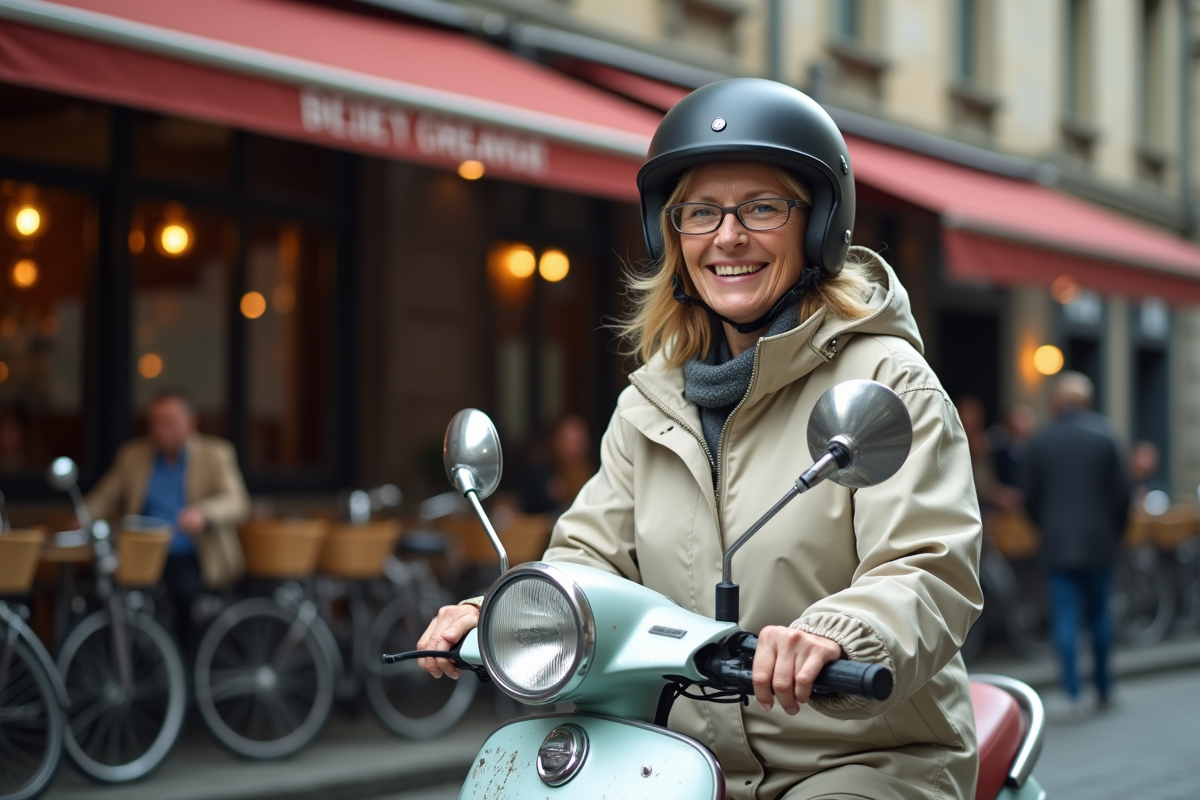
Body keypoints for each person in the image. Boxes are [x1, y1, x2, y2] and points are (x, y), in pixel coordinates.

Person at [419, 79, 982, 800]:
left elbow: (927, 565)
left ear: (817, 226)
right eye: (700, 212)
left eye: (763, 207)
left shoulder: (885, 381)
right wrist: (501, 613)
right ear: (672, 235)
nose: (728, 236)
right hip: (674, 760)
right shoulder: (651, 400)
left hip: (863, 758)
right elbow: (590, 558)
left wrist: (839, 635)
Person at [85, 389, 249, 651]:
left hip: (190, 553)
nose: (160, 431)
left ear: (190, 422)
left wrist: (204, 512)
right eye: (154, 423)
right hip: (140, 553)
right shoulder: (134, 455)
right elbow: (105, 497)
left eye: (169, 423)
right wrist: (83, 516)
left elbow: (237, 501)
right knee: (101, 593)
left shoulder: (215, 453)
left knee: (185, 596)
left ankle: (185, 663)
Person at [1024, 371, 1130, 714]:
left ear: (1057, 403)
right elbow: (1122, 496)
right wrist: (1115, 533)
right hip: (1100, 543)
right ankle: (1104, 687)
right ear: (1088, 402)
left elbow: (1030, 498)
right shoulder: (1106, 436)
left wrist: (1046, 527)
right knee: (1100, 616)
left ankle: (1071, 693)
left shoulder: (1041, 440)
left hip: (1057, 544)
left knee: (1065, 619)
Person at [521, 414, 595, 516]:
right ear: (554, 441)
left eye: (578, 442)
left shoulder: (594, 473)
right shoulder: (540, 474)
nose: (572, 450)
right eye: (566, 442)